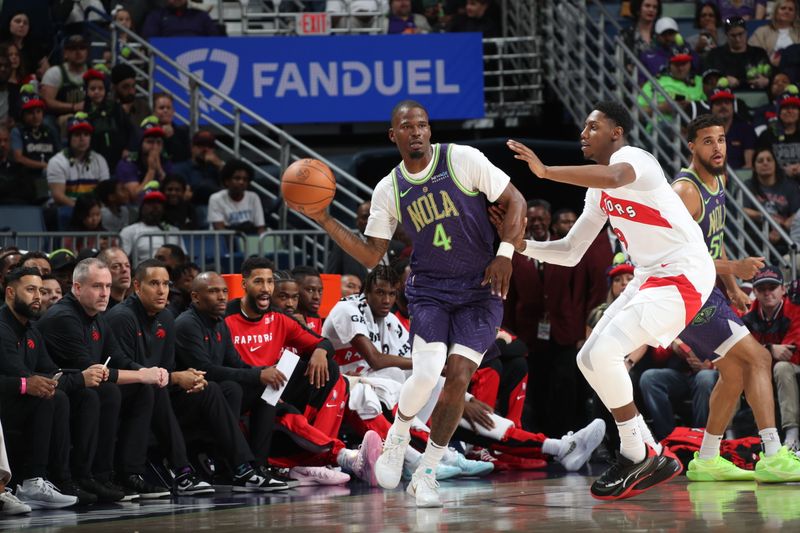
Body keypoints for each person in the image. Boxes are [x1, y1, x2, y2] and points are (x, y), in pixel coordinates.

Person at [303, 99, 526, 507]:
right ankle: (397, 437)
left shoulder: (462, 159)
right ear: (394, 136)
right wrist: (324, 219)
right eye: (407, 127)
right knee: (425, 375)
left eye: (422, 125)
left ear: (429, 130)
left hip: (481, 288)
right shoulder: (389, 188)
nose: (417, 132)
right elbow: (372, 255)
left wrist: (505, 253)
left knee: (458, 377)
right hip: (430, 290)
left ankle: (426, 472)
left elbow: (517, 201)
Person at [495, 101, 714, 500]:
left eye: (592, 126)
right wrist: (521, 244)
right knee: (588, 357)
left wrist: (544, 172)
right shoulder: (597, 192)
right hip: (650, 276)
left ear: (616, 132)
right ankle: (644, 449)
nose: (583, 133)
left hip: (685, 272)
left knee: (609, 352)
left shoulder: (635, 160)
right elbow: (571, 249)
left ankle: (639, 451)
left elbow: (614, 175)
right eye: (583, 127)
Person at [670, 114, 800, 482]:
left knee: (733, 373)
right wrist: (736, 267)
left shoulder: (720, 178)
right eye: (707, 141)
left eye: (722, 139)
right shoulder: (685, 191)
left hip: (707, 288)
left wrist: (730, 287)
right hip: (685, 291)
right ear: (691, 145)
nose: (717, 147)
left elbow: (712, 238)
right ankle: (774, 454)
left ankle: (708, 459)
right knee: (757, 358)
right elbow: (677, 256)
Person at [106, 259, 278, 495]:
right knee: (155, 387)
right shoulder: (122, 317)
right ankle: (183, 472)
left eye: (165, 284)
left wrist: (191, 379)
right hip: (131, 394)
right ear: (137, 286)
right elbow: (126, 366)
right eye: (154, 283)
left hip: (162, 392)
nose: (161, 290)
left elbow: (168, 366)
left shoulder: (165, 317)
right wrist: (176, 377)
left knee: (215, 388)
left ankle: (244, 469)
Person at [223, 257, 378, 485]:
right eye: (259, 282)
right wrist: (257, 375)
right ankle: (344, 457)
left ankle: (318, 461)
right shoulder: (225, 317)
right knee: (285, 413)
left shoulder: (279, 319)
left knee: (331, 373)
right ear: (244, 284)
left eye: (269, 282)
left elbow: (322, 342)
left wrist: (319, 352)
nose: (266, 288)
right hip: (241, 395)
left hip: (271, 393)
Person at [34, 258, 170, 500]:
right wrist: (142, 374)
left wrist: (148, 373)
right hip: (59, 390)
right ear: (77, 288)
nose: (105, 293)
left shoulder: (97, 316)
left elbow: (118, 358)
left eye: (108, 286)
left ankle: (127, 474)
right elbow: (91, 371)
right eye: (97, 286)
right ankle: (86, 476)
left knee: (143, 390)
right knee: (102, 393)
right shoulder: (64, 317)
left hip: (83, 389)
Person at [0, 267, 83, 508]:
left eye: (41, 290)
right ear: (9, 292)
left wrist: (63, 379)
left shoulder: (32, 328)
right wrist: (29, 383)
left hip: (15, 397)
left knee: (64, 396)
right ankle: (32, 482)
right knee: (48, 397)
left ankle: (60, 479)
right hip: (5, 401)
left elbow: (49, 368)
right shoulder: (2, 327)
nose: (38, 296)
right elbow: (19, 374)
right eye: (30, 290)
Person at [744, 267, 800, 450]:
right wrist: (769, 349)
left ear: (783, 290)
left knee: (782, 367)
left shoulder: (795, 310)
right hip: (761, 370)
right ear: (755, 292)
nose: (767, 293)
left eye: (772, 287)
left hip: (792, 367)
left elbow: (791, 352)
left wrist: (760, 352)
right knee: (735, 369)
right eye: (762, 289)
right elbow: (741, 352)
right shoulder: (747, 317)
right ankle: (728, 438)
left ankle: (792, 436)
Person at [743, 146, 800, 256]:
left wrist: (780, 229)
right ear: (754, 167)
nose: (765, 163)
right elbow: (743, 209)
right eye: (760, 161)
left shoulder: (789, 186)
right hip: (757, 235)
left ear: (775, 164)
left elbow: (795, 214)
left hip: (785, 235)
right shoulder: (748, 186)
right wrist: (765, 217)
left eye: (769, 160)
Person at [46, 113, 110, 207]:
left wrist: (94, 210)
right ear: (69, 138)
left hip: (92, 211)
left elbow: (104, 193)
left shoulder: (100, 160)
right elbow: (58, 196)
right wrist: (82, 209)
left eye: (86, 134)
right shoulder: (57, 162)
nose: (82, 139)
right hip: (66, 208)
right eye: (77, 134)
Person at [83, 68, 133, 171]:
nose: (97, 92)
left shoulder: (115, 107)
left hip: (118, 158)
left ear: (105, 90)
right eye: (93, 89)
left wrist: (127, 148)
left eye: (100, 88)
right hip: (95, 161)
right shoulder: (84, 113)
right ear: (86, 91)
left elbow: (130, 130)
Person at [704, 16, 770, 91]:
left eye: (740, 34)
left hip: (756, 93)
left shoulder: (759, 53)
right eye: (733, 36)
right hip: (724, 96)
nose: (738, 39)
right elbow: (708, 79)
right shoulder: (715, 55)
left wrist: (766, 81)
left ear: (746, 32)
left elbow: (772, 75)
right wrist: (724, 79)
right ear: (726, 35)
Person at [119, 190, 185, 264]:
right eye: (150, 203)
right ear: (142, 207)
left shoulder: (174, 230)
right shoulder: (129, 231)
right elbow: (122, 259)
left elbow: (184, 257)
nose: (155, 206)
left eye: (159, 203)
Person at [115, 117, 172, 202]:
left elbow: (172, 193)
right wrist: (151, 171)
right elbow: (135, 197)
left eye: (159, 142)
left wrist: (159, 171)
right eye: (150, 142)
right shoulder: (128, 163)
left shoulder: (165, 161)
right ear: (140, 143)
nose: (155, 147)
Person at [207, 160, 265, 234]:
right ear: (227, 181)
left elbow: (260, 228)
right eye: (237, 178)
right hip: (223, 242)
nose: (241, 182)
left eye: (245, 179)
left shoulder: (253, 197)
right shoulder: (215, 199)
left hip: (247, 240)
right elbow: (219, 228)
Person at [39, 34, 88, 119]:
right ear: (65, 53)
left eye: (82, 48)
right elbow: (47, 102)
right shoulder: (54, 73)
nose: (78, 52)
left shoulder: (93, 71)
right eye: (73, 48)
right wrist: (74, 107)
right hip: (59, 117)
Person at [708, 85, 757, 169]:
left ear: (733, 107)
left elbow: (749, 165)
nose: (723, 106)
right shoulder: (703, 130)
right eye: (718, 103)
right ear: (711, 108)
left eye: (727, 103)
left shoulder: (745, 129)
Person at [757, 89, 800, 179]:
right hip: (776, 183)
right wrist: (782, 171)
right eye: (786, 108)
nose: (790, 111)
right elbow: (759, 164)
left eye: (794, 108)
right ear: (778, 112)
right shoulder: (767, 136)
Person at [173, 130, 223, 204]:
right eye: (201, 145)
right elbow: (187, 195)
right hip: (195, 207)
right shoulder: (181, 168)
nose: (205, 149)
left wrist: (220, 166)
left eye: (210, 146)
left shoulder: (216, 168)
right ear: (192, 148)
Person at [748, 0, 800, 66]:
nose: (787, 11)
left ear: (795, 14)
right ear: (775, 12)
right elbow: (752, 53)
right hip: (770, 68)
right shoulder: (762, 31)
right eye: (783, 8)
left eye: (791, 9)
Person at [141, 0, 221, 39]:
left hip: (200, 55)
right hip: (166, 60)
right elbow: (150, 41)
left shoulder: (201, 16)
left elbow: (216, 41)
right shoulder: (156, 16)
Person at [152, 93, 190, 164]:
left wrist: (171, 138)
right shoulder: (148, 132)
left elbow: (185, 159)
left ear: (173, 112)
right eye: (161, 108)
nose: (165, 110)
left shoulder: (183, 133)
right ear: (154, 112)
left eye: (168, 108)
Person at [292, 266, 324, 334]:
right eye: (310, 290)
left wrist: (305, 329)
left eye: (320, 291)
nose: (317, 297)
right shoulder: (283, 318)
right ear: (294, 289)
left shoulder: (316, 317)